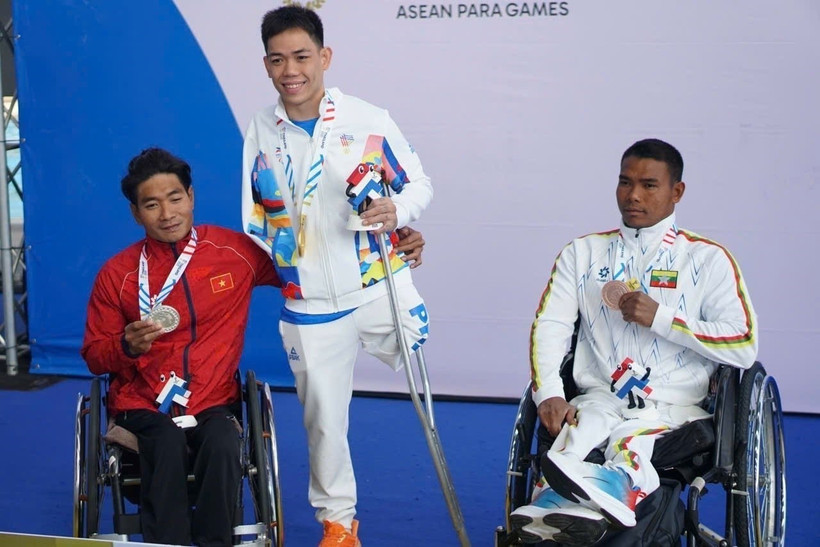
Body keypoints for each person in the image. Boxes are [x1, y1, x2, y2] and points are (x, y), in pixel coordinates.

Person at [80, 147, 427, 546]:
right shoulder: (117, 274)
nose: (167, 213)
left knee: (225, 444)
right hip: (142, 406)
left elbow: (314, 261)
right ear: (136, 213)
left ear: (191, 197)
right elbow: (94, 355)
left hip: (213, 400)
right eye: (152, 205)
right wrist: (125, 346)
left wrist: (394, 240)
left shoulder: (232, 252)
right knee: (166, 442)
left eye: (175, 199)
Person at [241, 6, 434, 546]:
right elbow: (256, 215)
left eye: (302, 56)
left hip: (377, 285)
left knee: (417, 366)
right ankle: (338, 524)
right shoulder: (263, 128)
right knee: (323, 421)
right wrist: (287, 259)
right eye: (278, 60)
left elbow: (417, 184)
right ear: (266, 65)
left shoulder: (367, 119)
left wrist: (398, 217)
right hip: (310, 301)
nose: (290, 70)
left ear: (324, 58)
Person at [510, 138, 758, 545]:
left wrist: (662, 318)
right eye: (625, 183)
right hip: (600, 396)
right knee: (581, 429)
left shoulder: (707, 259)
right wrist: (549, 393)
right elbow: (550, 325)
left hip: (673, 407)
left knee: (632, 441)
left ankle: (615, 487)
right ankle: (554, 502)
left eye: (649, 185)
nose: (633, 196)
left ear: (676, 192)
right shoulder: (582, 253)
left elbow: (744, 342)